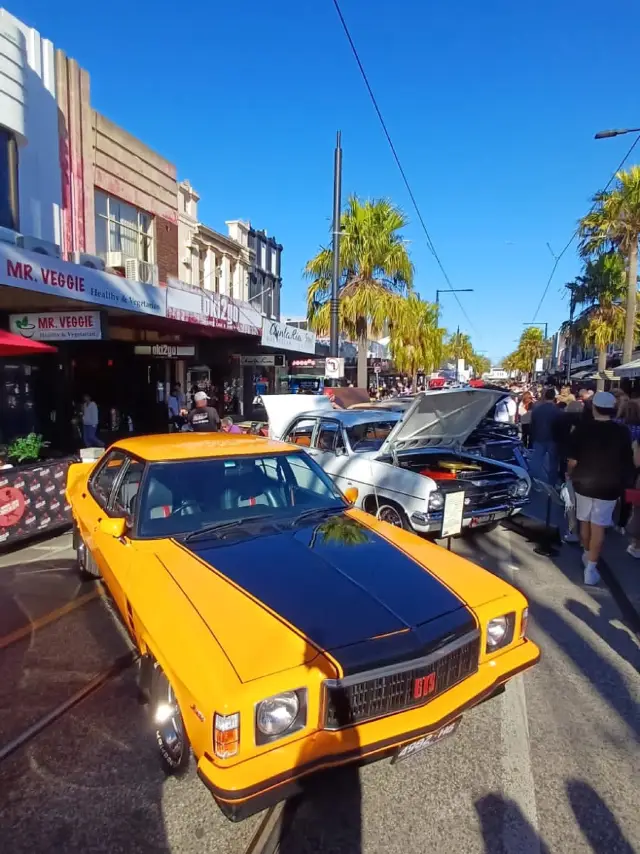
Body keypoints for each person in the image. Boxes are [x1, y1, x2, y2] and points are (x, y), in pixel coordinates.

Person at [566, 390, 634, 585]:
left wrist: (569, 473)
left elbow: (572, 460)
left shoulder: (581, 428)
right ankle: (591, 568)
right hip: (609, 484)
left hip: (583, 482)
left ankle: (587, 554)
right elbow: (626, 460)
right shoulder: (622, 431)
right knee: (599, 526)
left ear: (593, 407)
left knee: (584, 521)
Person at [530, 388, 562, 484]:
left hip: (539, 437)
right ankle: (551, 482)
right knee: (553, 462)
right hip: (553, 438)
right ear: (554, 397)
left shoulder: (537, 409)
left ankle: (534, 480)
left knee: (537, 460)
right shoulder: (557, 411)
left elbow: (533, 424)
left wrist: (533, 437)